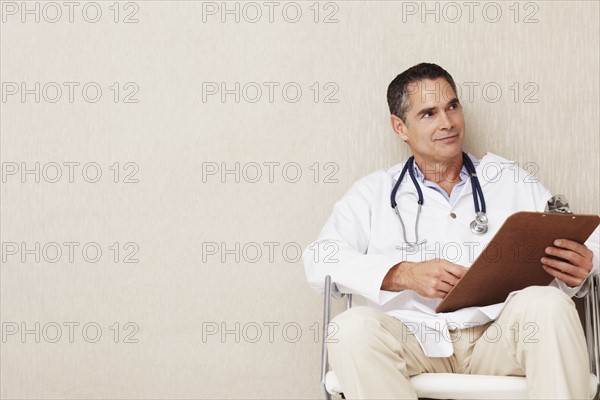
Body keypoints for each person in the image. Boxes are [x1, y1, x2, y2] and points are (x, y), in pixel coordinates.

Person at [302, 63, 600, 399]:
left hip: (496, 337)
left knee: (548, 303)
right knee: (348, 329)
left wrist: (586, 263)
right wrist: (402, 274)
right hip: (415, 342)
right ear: (400, 127)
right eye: (429, 113)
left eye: (452, 107)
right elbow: (319, 260)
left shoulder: (508, 179)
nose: (447, 123)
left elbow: (589, 241)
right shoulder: (373, 193)